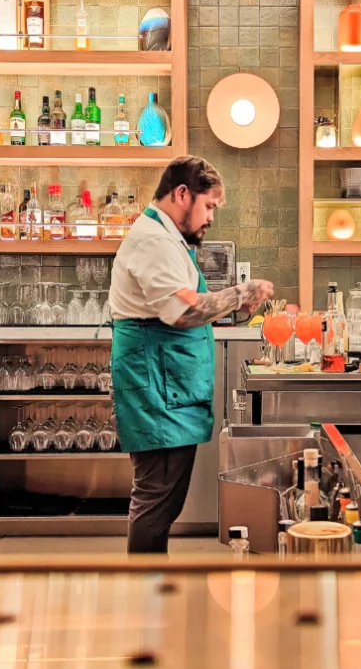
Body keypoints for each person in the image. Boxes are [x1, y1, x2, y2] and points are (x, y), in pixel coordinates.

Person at [109, 156, 273, 554]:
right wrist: (239, 294)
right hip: (158, 396)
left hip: (167, 392)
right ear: (182, 194)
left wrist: (233, 303)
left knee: (161, 501)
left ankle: (151, 592)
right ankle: (146, 597)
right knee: (156, 500)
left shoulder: (164, 238)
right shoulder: (153, 241)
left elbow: (184, 300)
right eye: (209, 206)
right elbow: (182, 311)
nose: (211, 217)